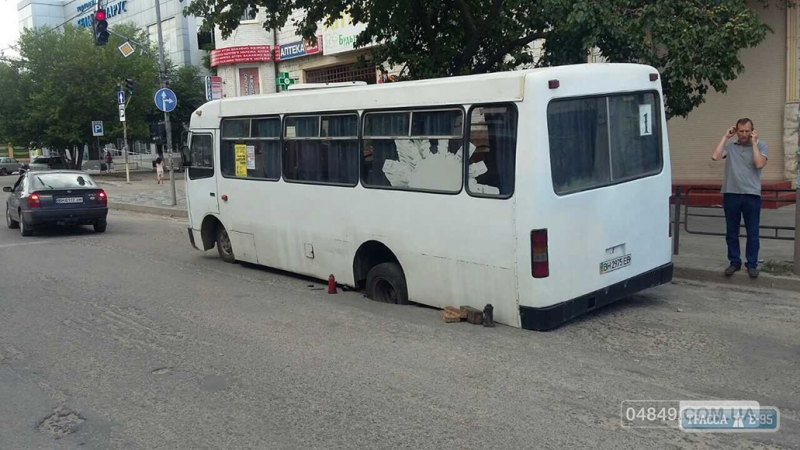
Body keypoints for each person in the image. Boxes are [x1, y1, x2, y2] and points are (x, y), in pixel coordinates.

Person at [711, 118, 768, 278]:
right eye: (741, 131)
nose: (744, 134)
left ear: (752, 131)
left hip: (752, 195)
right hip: (731, 193)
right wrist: (726, 137)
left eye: (747, 131)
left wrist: (754, 144)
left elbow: (759, 164)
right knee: (731, 232)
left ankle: (751, 264)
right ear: (736, 131)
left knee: (753, 232)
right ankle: (734, 262)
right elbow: (715, 156)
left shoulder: (761, 145)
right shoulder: (730, 146)